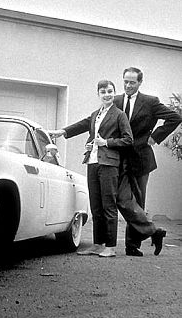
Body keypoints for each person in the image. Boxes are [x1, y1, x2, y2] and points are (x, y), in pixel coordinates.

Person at [50, 80, 133, 257]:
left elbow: (128, 140)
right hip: (93, 162)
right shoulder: (96, 114)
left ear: (114, 92)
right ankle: (98, 244)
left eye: (110, 91)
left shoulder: (119, 115)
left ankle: (110, 247)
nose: (107, 95)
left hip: (109, 164)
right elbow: (82, 125)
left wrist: (107, 142)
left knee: (108, 206)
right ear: (98, 94)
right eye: (103, 92)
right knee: (95, 206)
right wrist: (62, 132)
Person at [113, 67, 182, 256]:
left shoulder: (150, 102)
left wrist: (155, 137)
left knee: (138, 200)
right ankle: (153, 231)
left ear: (140, 83)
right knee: (122, 199)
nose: (128, 85)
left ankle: (132, 246)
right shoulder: (116, 101)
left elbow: (175, 117)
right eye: (125, 81)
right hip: (118, 158)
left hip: (141, 159)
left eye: (132, 82)